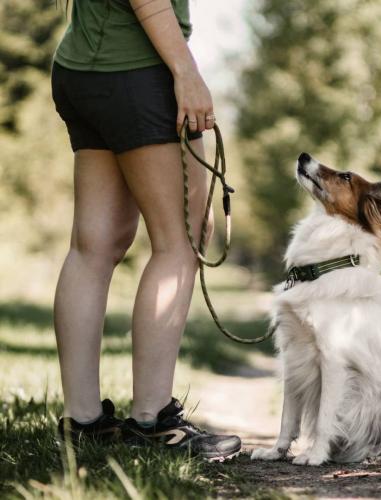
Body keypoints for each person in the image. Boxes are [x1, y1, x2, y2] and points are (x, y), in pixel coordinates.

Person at [51, 0, 241, 461]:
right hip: (136, 73)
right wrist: (186, 71)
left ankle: (84, 424)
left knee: (94, 245)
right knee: (181, 240)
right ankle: (153, 422)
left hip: (83, 69)